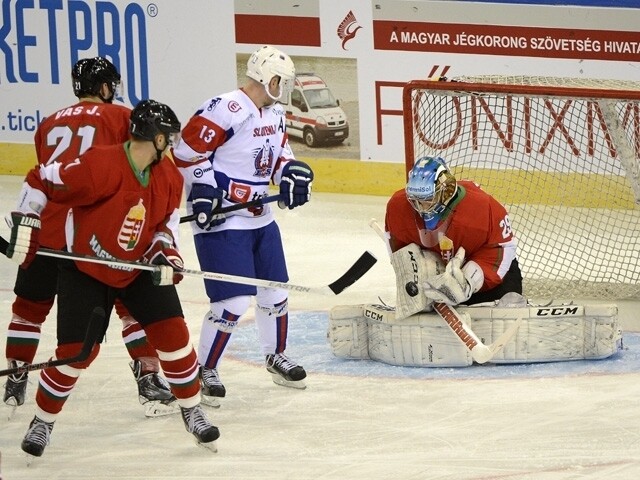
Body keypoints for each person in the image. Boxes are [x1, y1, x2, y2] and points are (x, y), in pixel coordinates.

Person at [4, 99, 219, 456]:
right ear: (159, 139)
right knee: (74, 356)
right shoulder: (99, 164)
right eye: (171, 136)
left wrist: (166, 252)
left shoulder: (168, 177)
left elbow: (164, 226)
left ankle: (192, 409)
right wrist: (27, 217)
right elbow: (41, 177)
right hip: (86, 270)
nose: (174, 143)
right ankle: (42, 421)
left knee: (175, 337)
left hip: (135, 269)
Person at [2, 57, 177, 417]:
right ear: (105, 87)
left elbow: (49, 177)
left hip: (46, 232)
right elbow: (140, 166)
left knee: (29, 308)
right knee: (131, 306)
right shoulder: (123, 118)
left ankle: (15, 379)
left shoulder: (48, 123)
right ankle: (147, 377)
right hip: (100, 232)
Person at [172, 45, 314, 406]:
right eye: (283, 79)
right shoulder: (225, 108)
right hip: (223, 219)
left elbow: (279, 154)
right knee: (232, 302)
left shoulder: (276, 112)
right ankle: (205, 369)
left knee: (275, 293)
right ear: (269, 77)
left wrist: (289, 175)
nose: (287, 85)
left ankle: (275, 354)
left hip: (260, 218)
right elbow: (187, 152)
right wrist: (204, 188)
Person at [385, 156, 522, 306]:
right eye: (415, 199)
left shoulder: (484, 208)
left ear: (446, 192)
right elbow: (398, 249)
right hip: (438, 279)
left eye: (427, 199)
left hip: (489, 279)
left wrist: (471, 279)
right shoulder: (398, 207)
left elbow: (503, 248)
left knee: (505, 309)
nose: (420, 207)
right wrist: (419, 273)